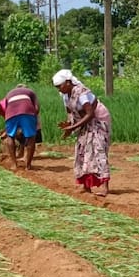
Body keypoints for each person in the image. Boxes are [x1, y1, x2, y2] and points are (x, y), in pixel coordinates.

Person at [52, 69, 112, 197]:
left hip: (98, 119)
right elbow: (69, 112)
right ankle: (86, 186)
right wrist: (69, 124)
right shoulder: (65, 95)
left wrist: (73, 127)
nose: (59, 90)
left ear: (68, 82)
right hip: (84, 121)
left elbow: (90, 113)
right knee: (82, 150)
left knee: (98, 149)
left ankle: (105, 187)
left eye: (60, 86)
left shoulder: (81, 92)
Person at [0, 85, 40, 170]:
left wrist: (7, 132)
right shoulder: (31, 92)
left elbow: (9, 112)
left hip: (11, 112)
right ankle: (28, 165)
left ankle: (14, 164)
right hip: (27, 111)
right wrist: (32, 119)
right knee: (31, 138)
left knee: (10, 137)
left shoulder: (9, 94)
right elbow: (36, 108)